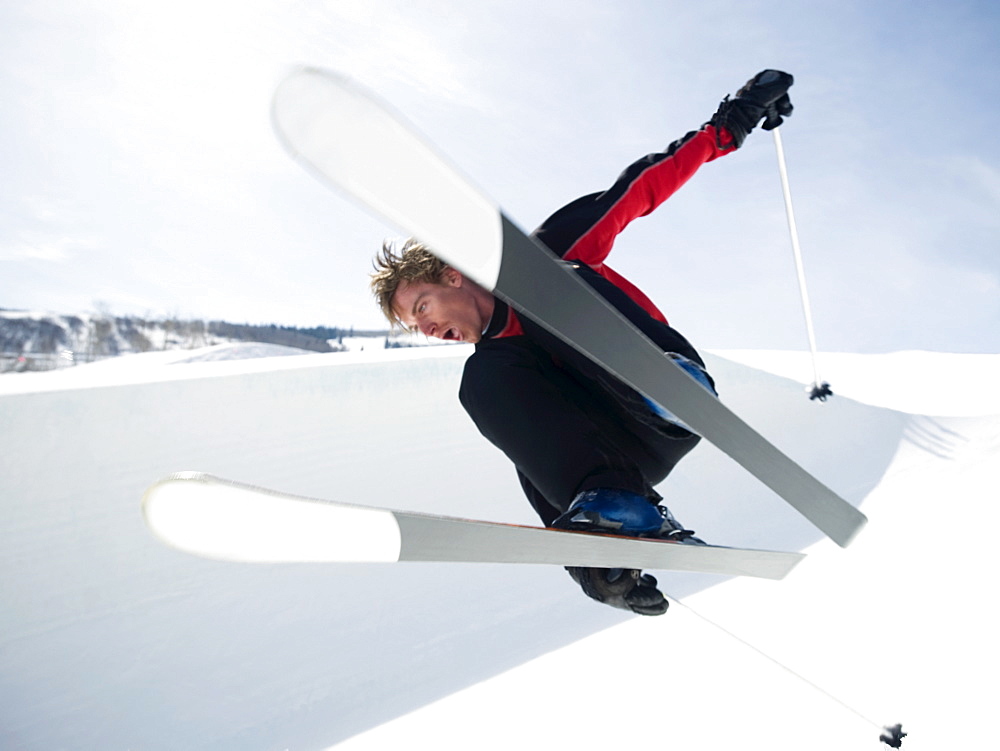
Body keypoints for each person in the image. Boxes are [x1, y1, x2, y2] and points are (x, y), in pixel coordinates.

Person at [370, 71, 794, 616]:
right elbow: (538, 467)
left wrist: (728, 126)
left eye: (421, 308)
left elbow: (636, 190)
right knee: (483, 382)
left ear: (453, 275)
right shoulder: (500, 374)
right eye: (414, 327)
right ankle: (619, 511)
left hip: (661, 398)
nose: (426, 330)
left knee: (543, 283)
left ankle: (659, 383)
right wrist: (594, 566)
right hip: (627, 454)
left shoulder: (541, 259)